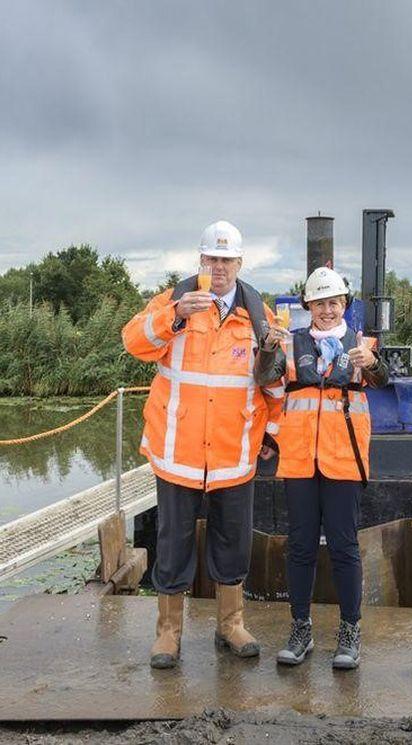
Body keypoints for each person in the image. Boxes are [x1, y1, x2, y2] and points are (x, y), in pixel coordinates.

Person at [122, 220, 284, 669]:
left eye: (227, 259)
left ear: (239, 263)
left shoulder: (258, 313)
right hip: (179, 452)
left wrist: (272, 432)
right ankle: (168, 633)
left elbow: (273, 382)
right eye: (211, 258)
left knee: (232, 543)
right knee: (172, 544)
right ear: (200, 260)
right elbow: (132, 341)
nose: (219, 267)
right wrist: (173, 316)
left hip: (234, 455)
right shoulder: (173, 301)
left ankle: (230, 625)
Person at [254, 266, 389, 668]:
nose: (327, 310)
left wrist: (375, 364)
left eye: (334, 303)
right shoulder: (292, 345)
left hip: (343, 459)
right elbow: (264, 378)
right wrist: (266, 349)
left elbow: (382, 380)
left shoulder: (362, 345)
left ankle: (350, 632)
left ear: (344, 305)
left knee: (345, 547)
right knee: (299, 547)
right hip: (298, 459)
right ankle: (301, 628)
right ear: (307, 306)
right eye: (319, 303)